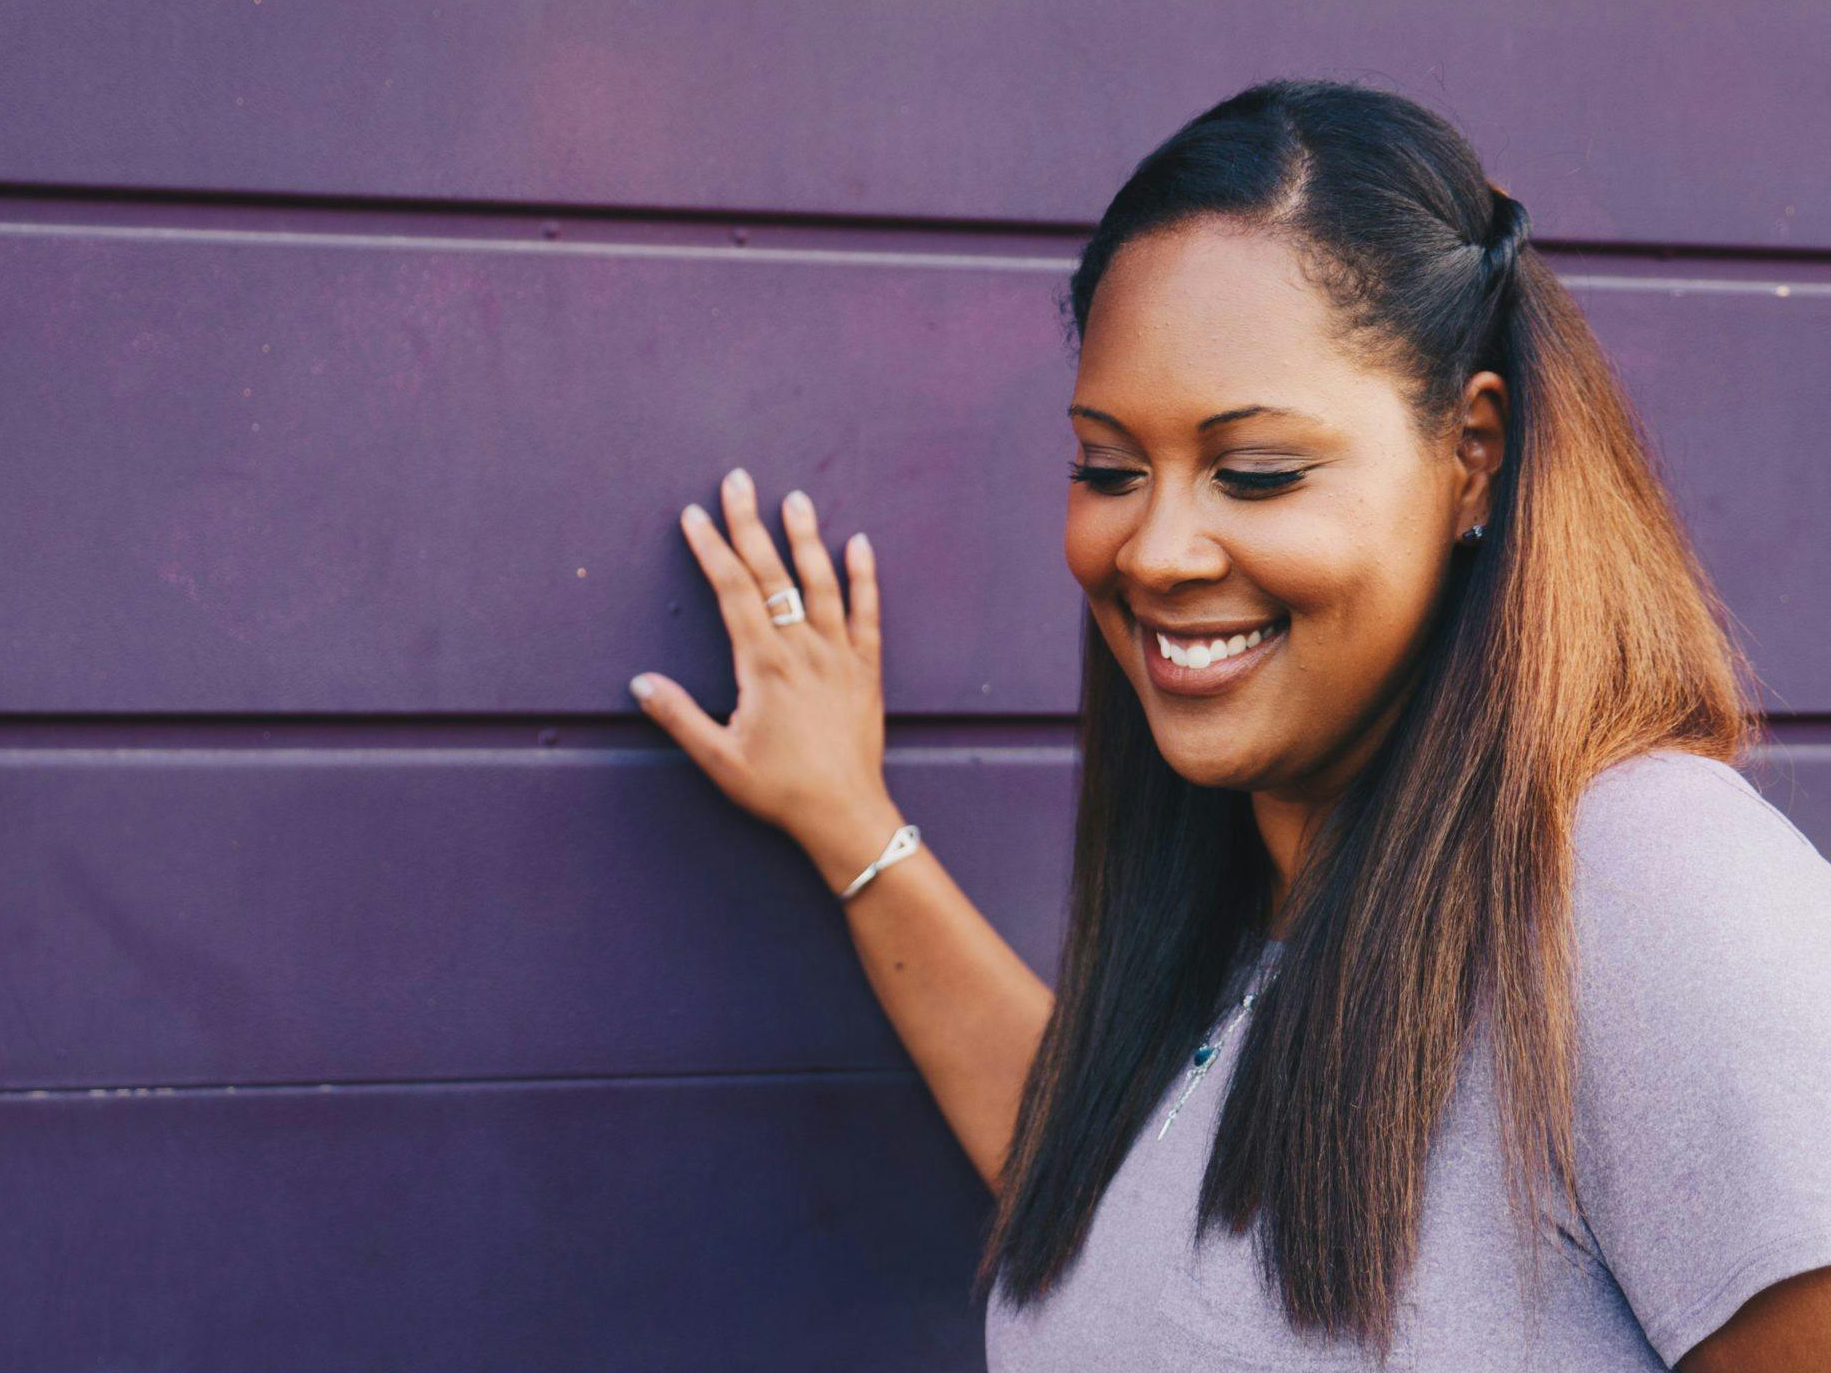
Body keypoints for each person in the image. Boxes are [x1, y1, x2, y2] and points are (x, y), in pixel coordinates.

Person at [623, 77, 1831, 1370]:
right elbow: (1123, 1211)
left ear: (1471, 453)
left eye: (1255, 472)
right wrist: (846, 820)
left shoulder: (1647, 885)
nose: (1156, 548)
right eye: (1108, 468)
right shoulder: (1268, 889)